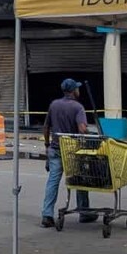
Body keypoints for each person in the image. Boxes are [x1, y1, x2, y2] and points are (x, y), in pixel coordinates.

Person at [41, 78, 93, 228]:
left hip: (55, 148)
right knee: (80, 179)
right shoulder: (78, 107)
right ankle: (84, 212)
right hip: (72, 150)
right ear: (73, 91)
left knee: (53, 181)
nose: (79, 90)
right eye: (77, 88)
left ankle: (47, 214)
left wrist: (47, 144)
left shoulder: (54, 105)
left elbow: (46, 127)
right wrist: (90, 134)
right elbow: (82, 129)